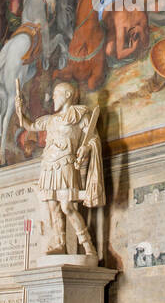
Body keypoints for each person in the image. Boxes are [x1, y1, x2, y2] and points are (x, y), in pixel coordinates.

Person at [14, 80, 104, 258]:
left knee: (68, 206)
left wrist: (86, 147)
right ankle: (60, 243)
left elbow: (93, 139)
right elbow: (29, 125)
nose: (53, 98)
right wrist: (19, 110)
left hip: (66, 164)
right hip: (48, 166)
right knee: (53, 206)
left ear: (68, 95)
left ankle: (88, 247)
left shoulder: (80, 116)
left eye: (56, 94)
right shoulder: (51, 120)